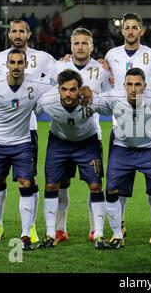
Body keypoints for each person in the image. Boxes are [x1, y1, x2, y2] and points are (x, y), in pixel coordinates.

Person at [0, 49, 54, 251]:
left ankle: (25, 235)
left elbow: (62, 84)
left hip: (22, 143)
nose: (16, 66)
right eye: (12, 63)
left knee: (26, 183)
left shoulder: (36, 84)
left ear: (26, 64)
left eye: (20, 63)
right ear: (7, 64)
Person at [0, 20, 57, 245]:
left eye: (22, 31)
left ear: (28, 34)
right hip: (1, 133)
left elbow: (61, 76)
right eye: (14, 31)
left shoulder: (44, 58)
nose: (18, 34)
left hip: (28, 129)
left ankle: (30, 226)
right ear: (9, 35)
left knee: (29, 180)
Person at [91, 68, 151, 250]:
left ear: (145, 86)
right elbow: (90, 101)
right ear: (124, 85)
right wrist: (87, 92)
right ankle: (117, 234)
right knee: (111, 190)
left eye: (138, 85)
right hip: (122, 149)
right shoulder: (113, 97)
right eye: (129, 84)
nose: (133, 89)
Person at [48, 27, 112, 243]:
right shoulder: (58, 66)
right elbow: (48, 95)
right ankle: (60, 228)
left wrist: (93, 95)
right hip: (61, 136)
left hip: (90, 137)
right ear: (71, 46)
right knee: (61, 184)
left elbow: (108, 102)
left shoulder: (101, 71)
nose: (81, 47)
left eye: (85, 43)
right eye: (77, 43)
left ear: (92, 46)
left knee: (94, 184)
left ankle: (95, 229)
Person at [104, 13, 151, 242]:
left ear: (142, 31)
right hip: (121, 130)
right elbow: (105, 81)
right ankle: (120, 226)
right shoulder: (111, 55)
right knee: (117, 187)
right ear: (122, 31)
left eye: (135, 27)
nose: (130, 31)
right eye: (126, 27)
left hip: (149, 131)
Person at [35, 69, 107, 250]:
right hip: (59, 143)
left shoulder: (91, 101)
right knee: (52, 185)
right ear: (58, 88)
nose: (68, 94)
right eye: (64, 89)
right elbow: (29, 109)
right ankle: (51, 233)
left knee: (96, 186)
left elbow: (113, 104)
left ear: (80, 89)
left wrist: (93, 91)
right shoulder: (47, 101)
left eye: (73, 90)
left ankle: (98, 233)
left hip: (87, 143)